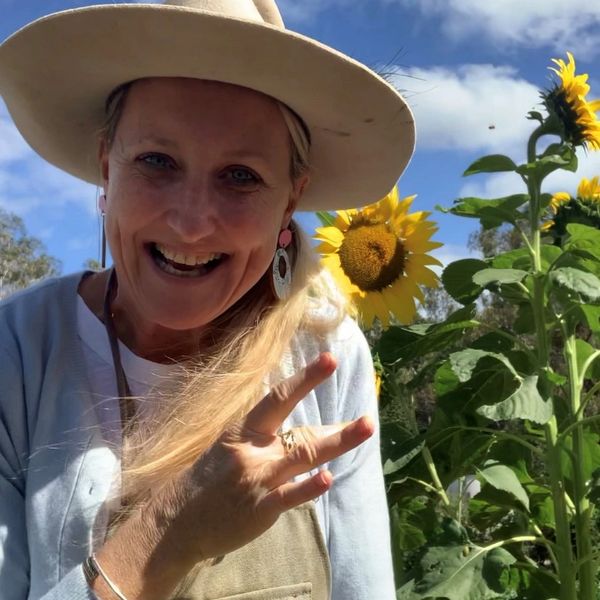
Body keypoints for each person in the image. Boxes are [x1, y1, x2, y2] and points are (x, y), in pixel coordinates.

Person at [0, 1, 415, 599]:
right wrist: (167, 535)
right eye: (156, 161)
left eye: (241, 176)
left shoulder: (324, 353)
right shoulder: (19, 353)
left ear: (290, 200)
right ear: (105, 169)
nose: (192, 224)